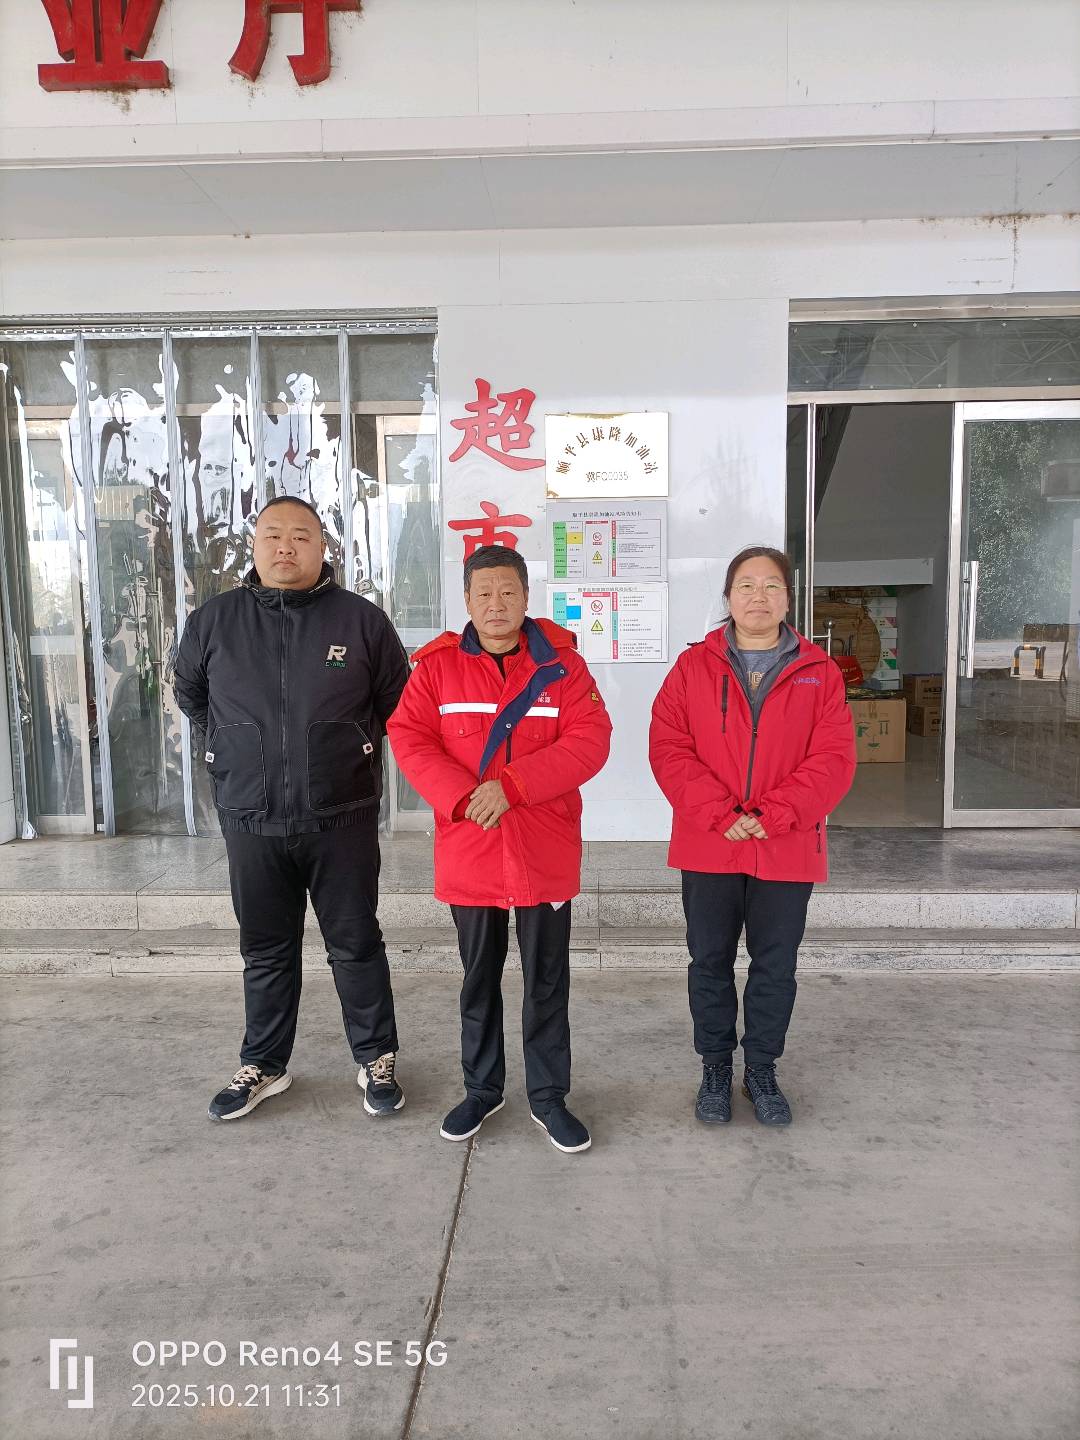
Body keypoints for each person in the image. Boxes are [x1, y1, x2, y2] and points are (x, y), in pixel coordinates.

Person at [173, 495, 411, 1122]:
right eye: (273, 535)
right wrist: (230, 747)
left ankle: (377, 1057)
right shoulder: (214, 621)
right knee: (265, 949)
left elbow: (396, 701)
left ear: (322, 547)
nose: (286, 547)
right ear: (253, 546)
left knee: (355, 943)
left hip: (343, 815)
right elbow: (190, 692)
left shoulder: (361, 621)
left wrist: (351, 749)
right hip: (251, 816)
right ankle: (265, 1063)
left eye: (301, 536)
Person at [387, 545, 611, 1154]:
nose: (496, 603)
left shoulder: (563, 667)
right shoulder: (436, 668)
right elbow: (408, 736)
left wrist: (512, 787)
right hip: (472, 845)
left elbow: (590, 740)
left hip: (543, 850)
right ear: (466, 600)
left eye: (508, 591)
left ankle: (549, 1097)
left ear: (526, 597)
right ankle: (482, 1090)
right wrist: (464, 798)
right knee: (478, 978)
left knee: (546, 982)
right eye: (483, 592)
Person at [649, 546, 856, 1127]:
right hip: (710, 841)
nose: (758, 596)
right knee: (709, 960)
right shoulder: (692, 668)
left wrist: (776, 813)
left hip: (786, 843)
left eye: (771, 586)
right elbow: (668, 748)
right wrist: (721, 814)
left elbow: (834, 759)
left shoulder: (819, 672)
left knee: (775, 965)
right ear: (728, 596)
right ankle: (715, 1067)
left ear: (788, 599)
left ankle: (761, 1068)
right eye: (746, 585)